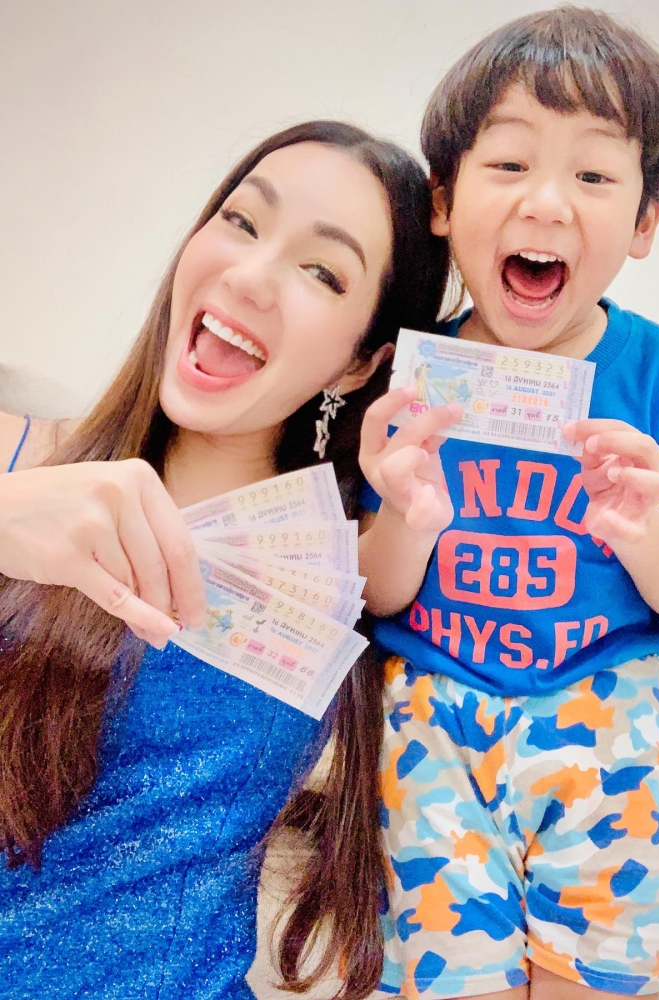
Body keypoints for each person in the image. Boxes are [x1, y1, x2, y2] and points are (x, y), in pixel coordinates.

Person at [358, 9, 659, 1000]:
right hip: (433, 728)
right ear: (442, 199)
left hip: (606, 726)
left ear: (643, 224)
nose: (545, 202)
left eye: (592, 175)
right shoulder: (408, 377)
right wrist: (406, 517)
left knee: (594, 977)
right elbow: (374, 596)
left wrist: (643, 530)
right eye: (508, 164)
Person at [0, 120, 448, 999]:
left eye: (323, 271)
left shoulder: (344, 566)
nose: (250, 275)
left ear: (361, 362)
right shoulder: (17, 456)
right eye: (242, 222)